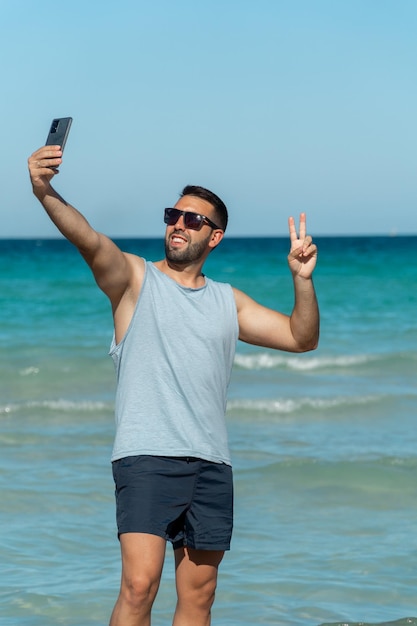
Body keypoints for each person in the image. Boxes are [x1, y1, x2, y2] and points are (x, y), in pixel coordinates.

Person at [28, 144, 319, 626]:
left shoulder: (230, 302)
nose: (179, 225)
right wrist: (44, 191)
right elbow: (89, 240)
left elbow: (300, 337)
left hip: (211, 462)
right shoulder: (134, 280)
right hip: (146, 455)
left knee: (199, 598)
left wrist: (302, 280)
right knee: (139, 586)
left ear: (215, 236)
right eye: (173, 215)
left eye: (193, 220)